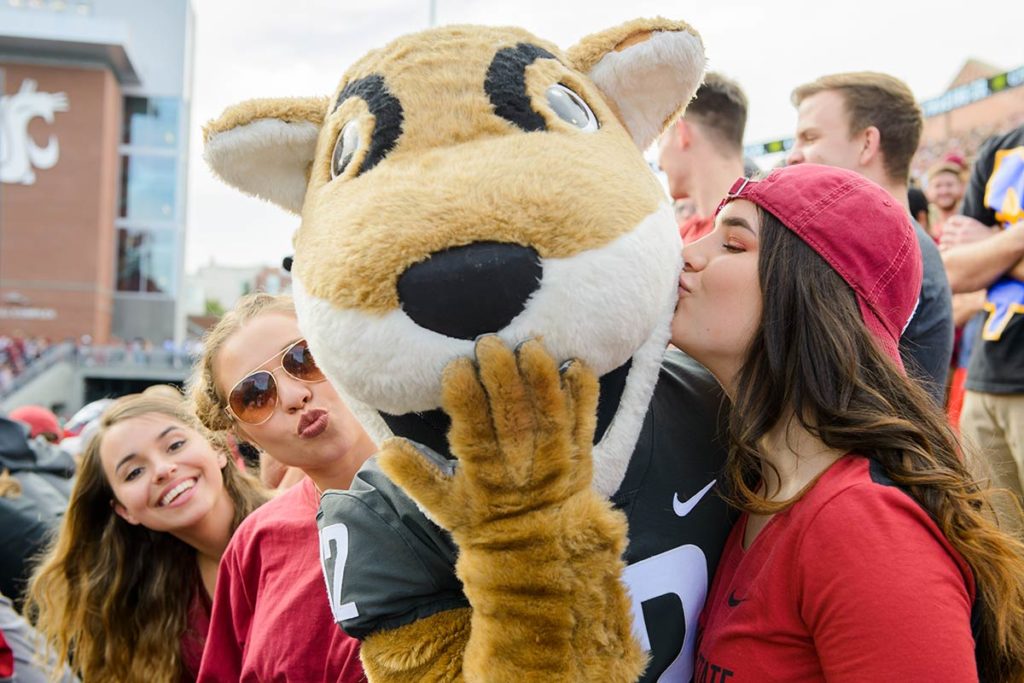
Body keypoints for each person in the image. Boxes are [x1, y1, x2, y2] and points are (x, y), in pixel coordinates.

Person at [674, 163, 1024, 681]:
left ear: (810, 299)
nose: (688, 255)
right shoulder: (759, 485)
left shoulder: (863, 530)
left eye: (732, 245)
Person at [188, 293, 370, 682]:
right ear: (241, 434)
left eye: (304, 358)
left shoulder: (467, 482)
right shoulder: (254, 543)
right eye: (255, 396)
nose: (294, 396)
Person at [25, 393, 267, 682]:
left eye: (175, 445)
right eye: (134, 472)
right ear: (125, 510)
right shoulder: (157, 602)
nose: (163, 470)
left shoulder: (307, 527)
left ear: (216, 446)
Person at [788, 71, 954, 405]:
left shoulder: (891, 250)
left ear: (867, 143)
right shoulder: (892, 244)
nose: (793, 156)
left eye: (809, 138)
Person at [942, 123, 1024, 500]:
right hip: (986, 376)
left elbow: (971, 260)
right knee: (997, 547)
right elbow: (954, 271)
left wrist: (992, 244)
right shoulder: (1000, 147)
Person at [658, 72, 749, 244]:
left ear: (681, 133)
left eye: (660, 140)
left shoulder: (677, 245)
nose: (659, 163)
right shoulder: (770, 229)